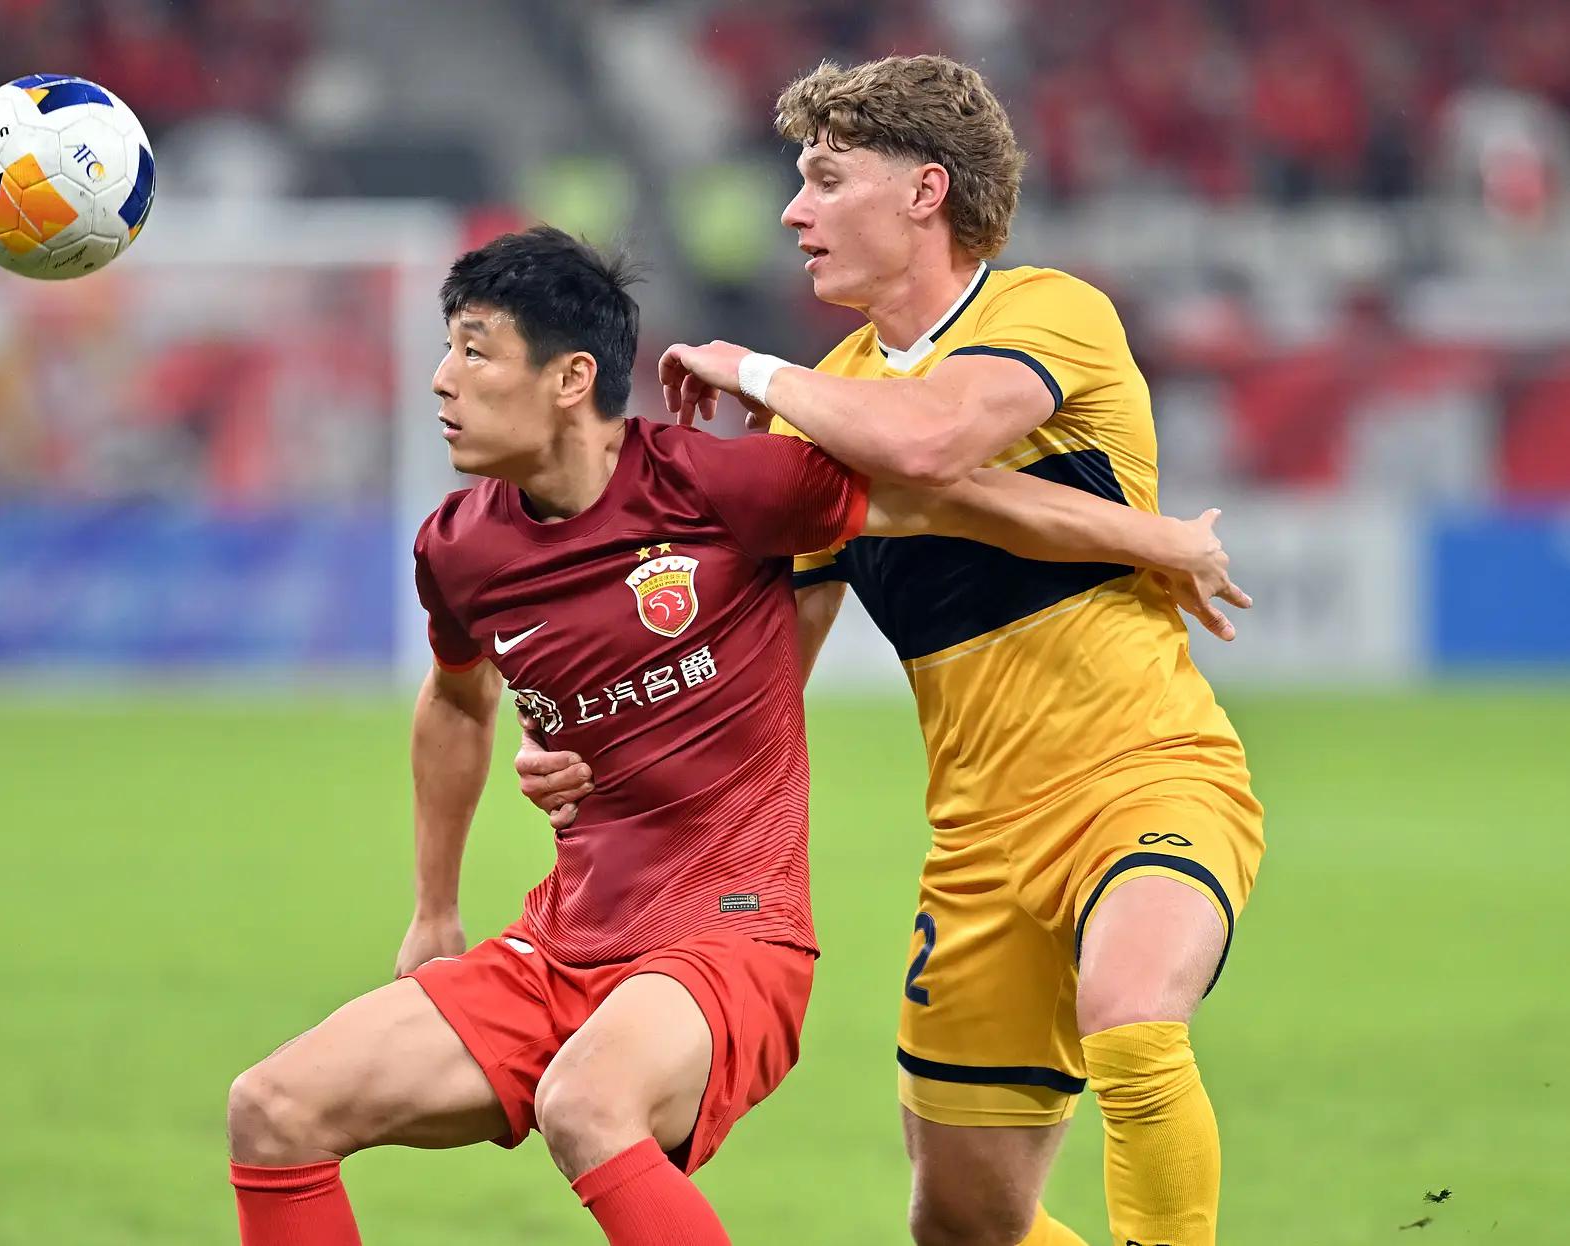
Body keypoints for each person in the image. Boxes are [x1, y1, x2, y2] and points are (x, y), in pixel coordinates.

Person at [225, 226, 1243, 1246]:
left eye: (474, 350)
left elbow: (948, 498)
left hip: (730, 936)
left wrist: (1157, 539)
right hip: (568, 938)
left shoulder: (718, 485)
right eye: (447, 348)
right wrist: (435, 908)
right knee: (271, 1111)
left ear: (571, 378)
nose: (440, 380)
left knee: (586, 1105)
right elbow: (457, 700)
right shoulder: (458, 548)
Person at [519, 56, 1265, 1246]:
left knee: (1131, 1013)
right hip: (977, 841)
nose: (790, 211)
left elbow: (931, 440)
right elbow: (769, 662)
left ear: (924, 191)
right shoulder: (822, 403)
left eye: (824, 179)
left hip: (1143, 773)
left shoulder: (1044, 312)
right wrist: (602, 749)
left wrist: (748, 368)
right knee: (964, 1222)